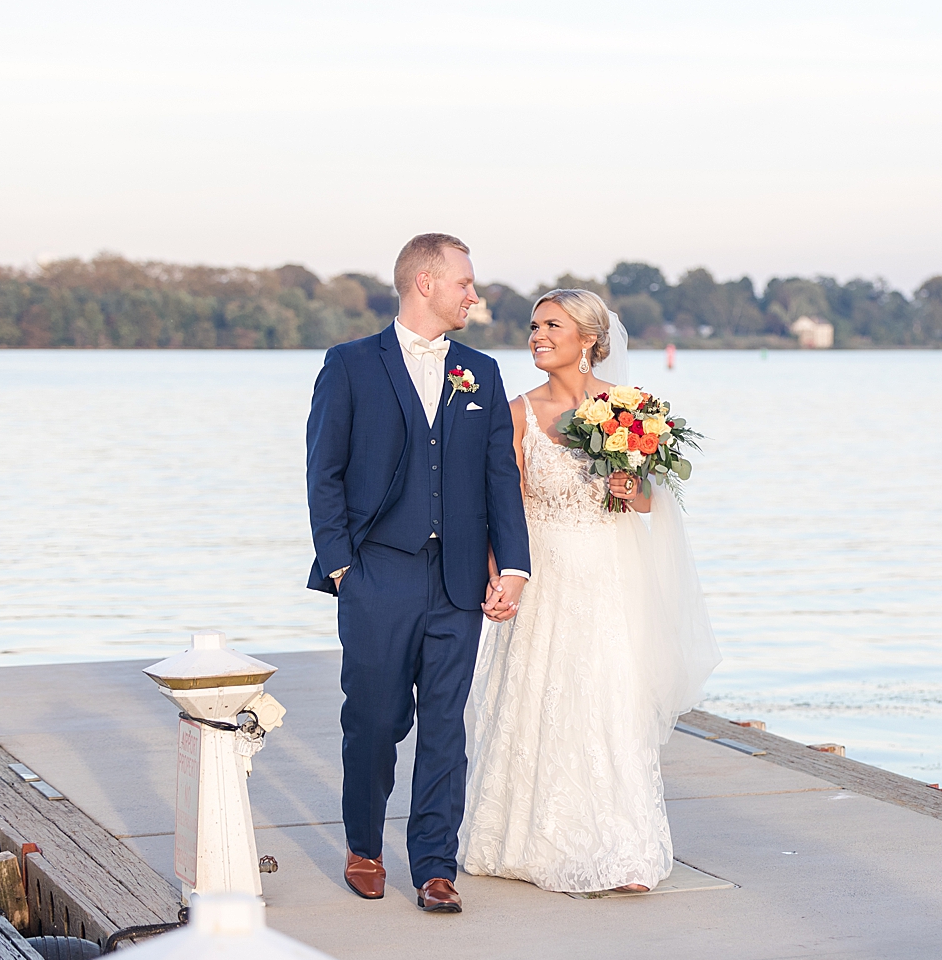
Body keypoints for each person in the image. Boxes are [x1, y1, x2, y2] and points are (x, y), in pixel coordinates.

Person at [458, 289, 719, 894]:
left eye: (553, 325)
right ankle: (526, 841)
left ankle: (622, 850)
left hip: (609, 576)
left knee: (608, 700)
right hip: (543, 575)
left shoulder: (629, 411)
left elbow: (650, 502)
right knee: (539, 698)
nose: (537, 336)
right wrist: (500, 575)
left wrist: (631, 487)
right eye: (534, 326)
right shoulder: (516, 412)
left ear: (590, 339)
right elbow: (505, 505)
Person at [305, 232, 531, 913]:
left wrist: (513, 566)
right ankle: (365, 847)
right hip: (376, 573)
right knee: (374, 721)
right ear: (425, 283)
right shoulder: (349, 364)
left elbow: (500, 476)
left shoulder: (480, 371)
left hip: (457, 582)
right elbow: (324, 471)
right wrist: (342, 567)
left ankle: (436, 866)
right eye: (465, 283)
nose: (474, 295)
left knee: (444, 727)